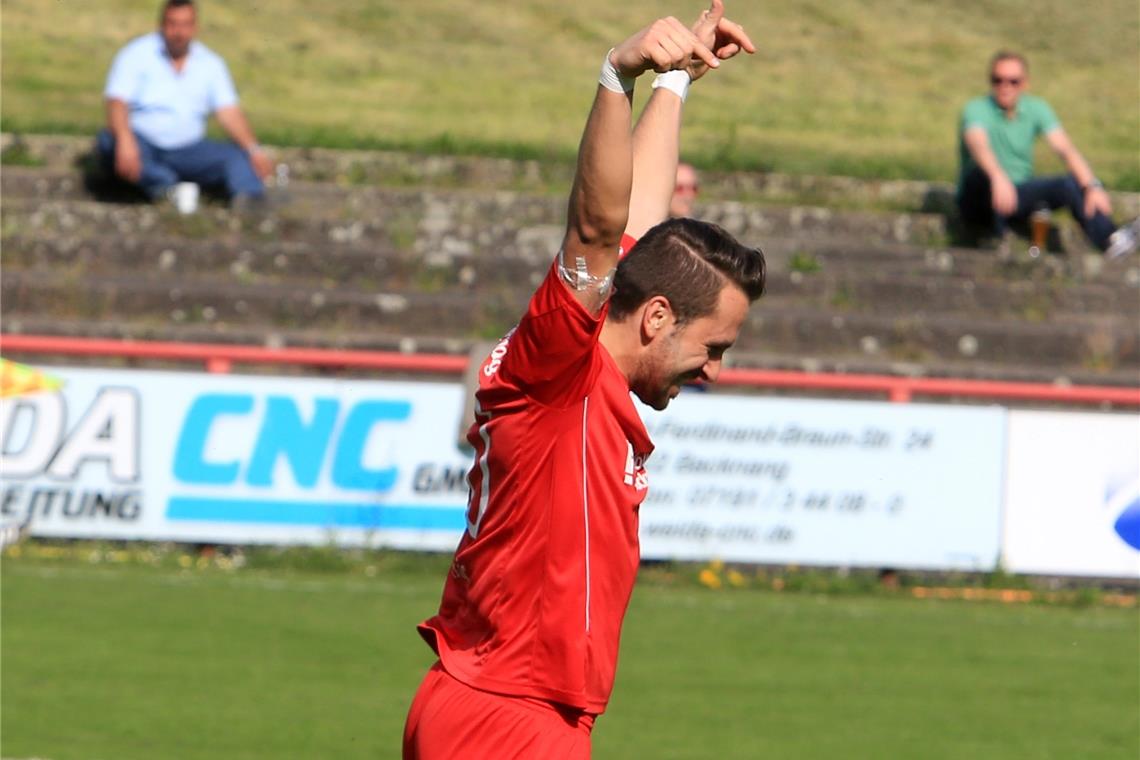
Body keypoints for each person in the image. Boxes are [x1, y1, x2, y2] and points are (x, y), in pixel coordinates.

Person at [402, 3, 761, 758]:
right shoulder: (563, 364)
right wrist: (616, 78)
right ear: (658, 318)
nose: (716, 369)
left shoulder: (600, 337)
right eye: (714, 346)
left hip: (508, 706)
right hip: (508, 716)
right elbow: (597, 232)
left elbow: (640, 222)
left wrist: (675, 83)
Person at [956, 50, 1138, 259]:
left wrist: (1092, 186)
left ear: (1025, 83)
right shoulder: (976, 109)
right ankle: (996, 242)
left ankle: (1110, 241)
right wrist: (997, 175)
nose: (1005, 87)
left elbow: (1065, 149)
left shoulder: (1036, 108)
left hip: (1017, 194)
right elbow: (978, 144)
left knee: (1071, 184)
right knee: (980, 175)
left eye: (1013, 81)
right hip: (978, 199)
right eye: (998, 80)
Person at [96, 0, 273, 206]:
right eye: (173, 24)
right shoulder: (136, 54)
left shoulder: (211, 64)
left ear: (195, 27)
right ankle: (166, 186)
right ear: (161, 24)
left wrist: (254, 150)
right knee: (109, 142)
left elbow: (228, 112)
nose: (178, 32)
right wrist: (125, 140)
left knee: (237, 157)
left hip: (189, 149)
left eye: (185, 24)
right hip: (142, 144)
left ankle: (250, 200)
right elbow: (117, 102)